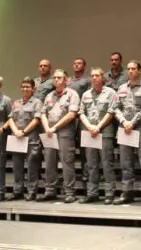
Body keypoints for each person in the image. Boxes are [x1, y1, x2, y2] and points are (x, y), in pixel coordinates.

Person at [111, 60, 141, 206]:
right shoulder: (122, 88)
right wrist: (123, 122)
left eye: (133, 68)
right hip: (125, 129)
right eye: (128, 69)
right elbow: (115, 107)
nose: (130, 71)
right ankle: (127, 192)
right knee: (125, 162)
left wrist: (132, 122)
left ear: (139, 70)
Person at [38, 69, 80, 203]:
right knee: (49, 162)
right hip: (49, 131)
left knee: (67, 162)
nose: (56, 80)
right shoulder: (49, 96)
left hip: (65, 132)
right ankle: (50, 190)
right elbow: (43, 113)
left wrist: (54, 127)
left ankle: (69, 192)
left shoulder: (72, 94)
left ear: (66, 80)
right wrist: (47, 128)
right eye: (55, 78)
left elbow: (72, 114)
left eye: (59, 78)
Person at [78, 67, 117, 204]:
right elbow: (81, 112)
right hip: (89, 132)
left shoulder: (111, 93)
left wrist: (98, 127)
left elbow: (111, 112)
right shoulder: (86, 94)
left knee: (107, 164)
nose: (94, 78)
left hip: (105, 132)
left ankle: (109, 193)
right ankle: (92, 193)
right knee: (91, 164)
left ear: (103, 78)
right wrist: (89, 126)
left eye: (97, 75)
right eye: (92, 76)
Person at [6, 77, 44, 201]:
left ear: (33, 89)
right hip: (17, 138)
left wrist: (23, 131)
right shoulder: (16, 103)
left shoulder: (37, 102)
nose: (25, 89)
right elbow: (10, 118)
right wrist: (16, 131)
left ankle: (32, 191)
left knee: (32, 167)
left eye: (27, 86)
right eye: (23, 86)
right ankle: (18, 191)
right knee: (17, 166)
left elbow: (37, 119)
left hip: (31, 139)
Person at [68, 57, 92, 183]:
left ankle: (86, 173)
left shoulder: (87, 80)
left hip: (82, 117)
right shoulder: (68, 81)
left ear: (84, 66)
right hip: (70, 118)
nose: (76, 65)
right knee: (70, 147)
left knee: (84, 147)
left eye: (79, 63)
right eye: (75, 63)